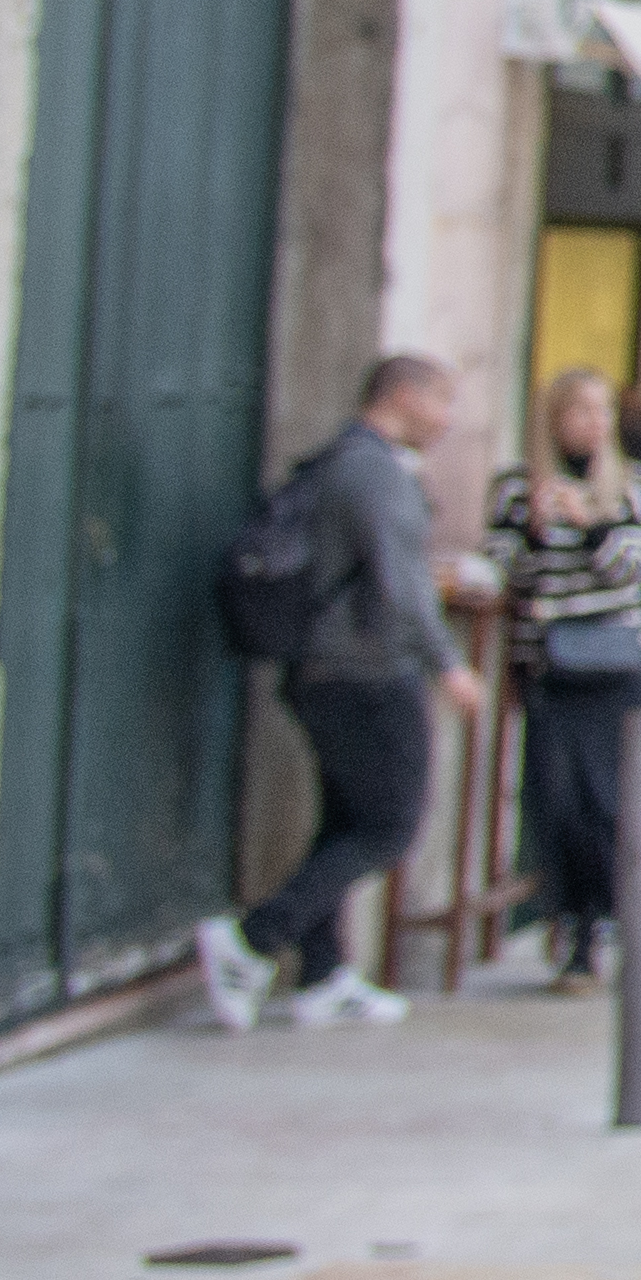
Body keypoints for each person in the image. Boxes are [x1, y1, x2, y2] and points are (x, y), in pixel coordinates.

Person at [200, 354, 487, 1032]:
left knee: (345, 823)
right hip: (365, 671)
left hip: (334, 668)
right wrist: (447, 662)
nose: (448, 420)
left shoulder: (349, 462)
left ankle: (323, 976)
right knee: (389, 827)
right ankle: (252, 940)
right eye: (441, 402)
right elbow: (401, 580)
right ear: (404, 396)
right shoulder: (371, 469)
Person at [482, 370, 641, 988]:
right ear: (554, 418)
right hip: (547, 661)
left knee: (606, 800)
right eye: (579, 410)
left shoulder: (632, 485)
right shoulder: (516, 487)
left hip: (612, 663)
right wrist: (532, 531)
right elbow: (502, 569)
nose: (591, 422)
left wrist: (589, 522)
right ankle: (575, 924)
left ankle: (614, 920)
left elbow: (630, 569)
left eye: (602, 410)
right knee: (554, 802)